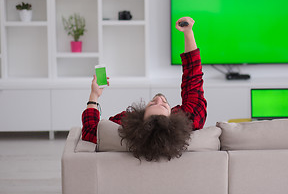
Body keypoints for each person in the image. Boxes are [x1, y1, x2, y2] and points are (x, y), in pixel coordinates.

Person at [81, 16, 207, 161]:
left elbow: (90, 131)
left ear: (140, 120)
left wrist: (94, 95)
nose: (159, 99)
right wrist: (188, 32)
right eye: (164, 105)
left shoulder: (123, 125)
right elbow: (193, 79)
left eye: (153, 104)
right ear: (173, 122)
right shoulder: (192, 118)